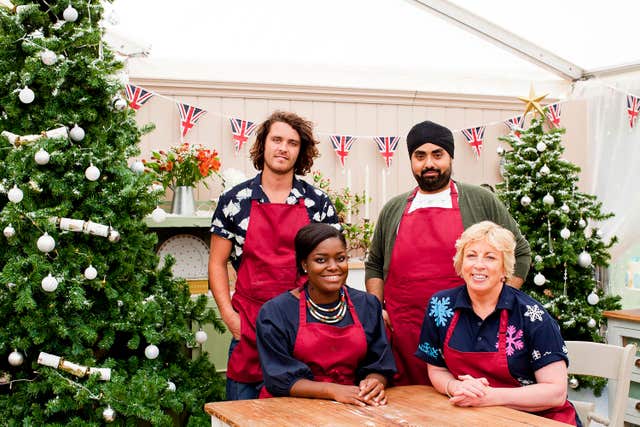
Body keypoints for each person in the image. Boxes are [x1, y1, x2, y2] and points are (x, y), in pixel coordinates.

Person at [365, 120, 531, 386]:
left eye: (437, 154)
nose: (429, 163)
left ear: (450, 157)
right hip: (405, 333)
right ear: (411, 161)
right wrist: (376, 309)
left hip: (468, 331)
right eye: (420, 156)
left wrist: (501, 303)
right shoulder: (394, 208)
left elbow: (520, 252)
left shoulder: (480, 199)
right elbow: (374, 264)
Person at [209, 111, 340, 400]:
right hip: (249, 327)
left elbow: (332, 266)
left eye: (292, 143)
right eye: (277, 139)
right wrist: (229, 316)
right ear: (263, 145)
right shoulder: (234, 201)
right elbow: (217, 262)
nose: (283, 148)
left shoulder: (317, 203)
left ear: (300, 151)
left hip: (303, 327)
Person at [416, 221, 580, 425]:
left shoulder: (532, 315)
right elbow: (437, 369)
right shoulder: (440, 306)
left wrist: (489, 396)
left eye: (490, 257)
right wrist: (454, 387)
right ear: (461, 264)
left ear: (505, 269)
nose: (479, 265)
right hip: (474, 418)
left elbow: (555, 392)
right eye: (471, 255)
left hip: (537, 419)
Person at [256, 223, 396, 406]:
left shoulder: (367, 305)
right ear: (304, 264)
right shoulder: (276, 312)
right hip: (290, 407)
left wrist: (375, 382)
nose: (333, 267)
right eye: (321, 260)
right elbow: (278, 378)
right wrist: (333, 390)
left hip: (353, 403)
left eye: (340, 258)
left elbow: (380, 362)